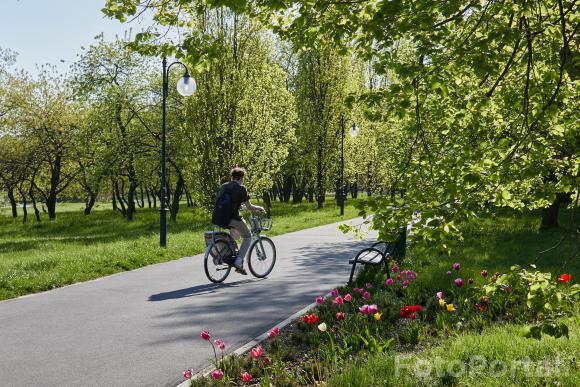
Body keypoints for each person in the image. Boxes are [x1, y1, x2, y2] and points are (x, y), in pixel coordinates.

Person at [215, 167, 264, 275]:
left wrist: (238, 206)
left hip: (218, 217)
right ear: (242, 177)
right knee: (247, 236)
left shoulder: (224, 186)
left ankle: (230, 253)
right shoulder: (241, 188)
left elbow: (224, 202)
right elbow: (250, 206)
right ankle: (238, 261)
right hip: (231, 218)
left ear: (232, 177)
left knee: (234, 234)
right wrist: (259, 208)